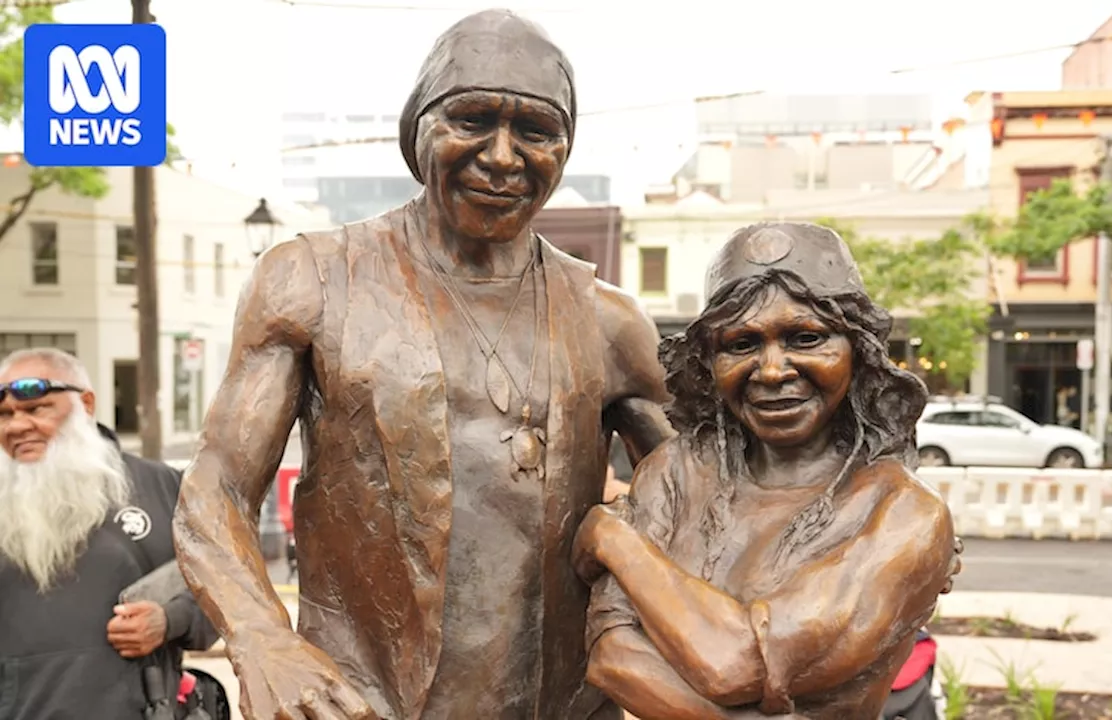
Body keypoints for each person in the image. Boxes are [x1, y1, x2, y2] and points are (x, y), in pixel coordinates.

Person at [172, 9, 672, 720]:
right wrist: (260, 637)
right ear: (417, 128)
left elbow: (709, 499)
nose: (502, 156)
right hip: (362, 700)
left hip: (561, 703)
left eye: (536, 132)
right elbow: (214, 488)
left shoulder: (610, 320)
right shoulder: (312, 278)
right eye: (471, 121)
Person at [573, 222, 963, 719]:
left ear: (858, 352)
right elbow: (612, 657)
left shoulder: (904, 514)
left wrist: (617, 542)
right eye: (741, 344)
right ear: (708, 361)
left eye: (805, 338)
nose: (773, 370)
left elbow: (736, 664)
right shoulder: (677, 472)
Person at [0, 348, 218, 720]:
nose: (15, 426)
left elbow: (224, 598)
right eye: (4, 415)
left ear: (85, 404)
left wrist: (170, 619)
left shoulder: (165, 487)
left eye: (36, 409)